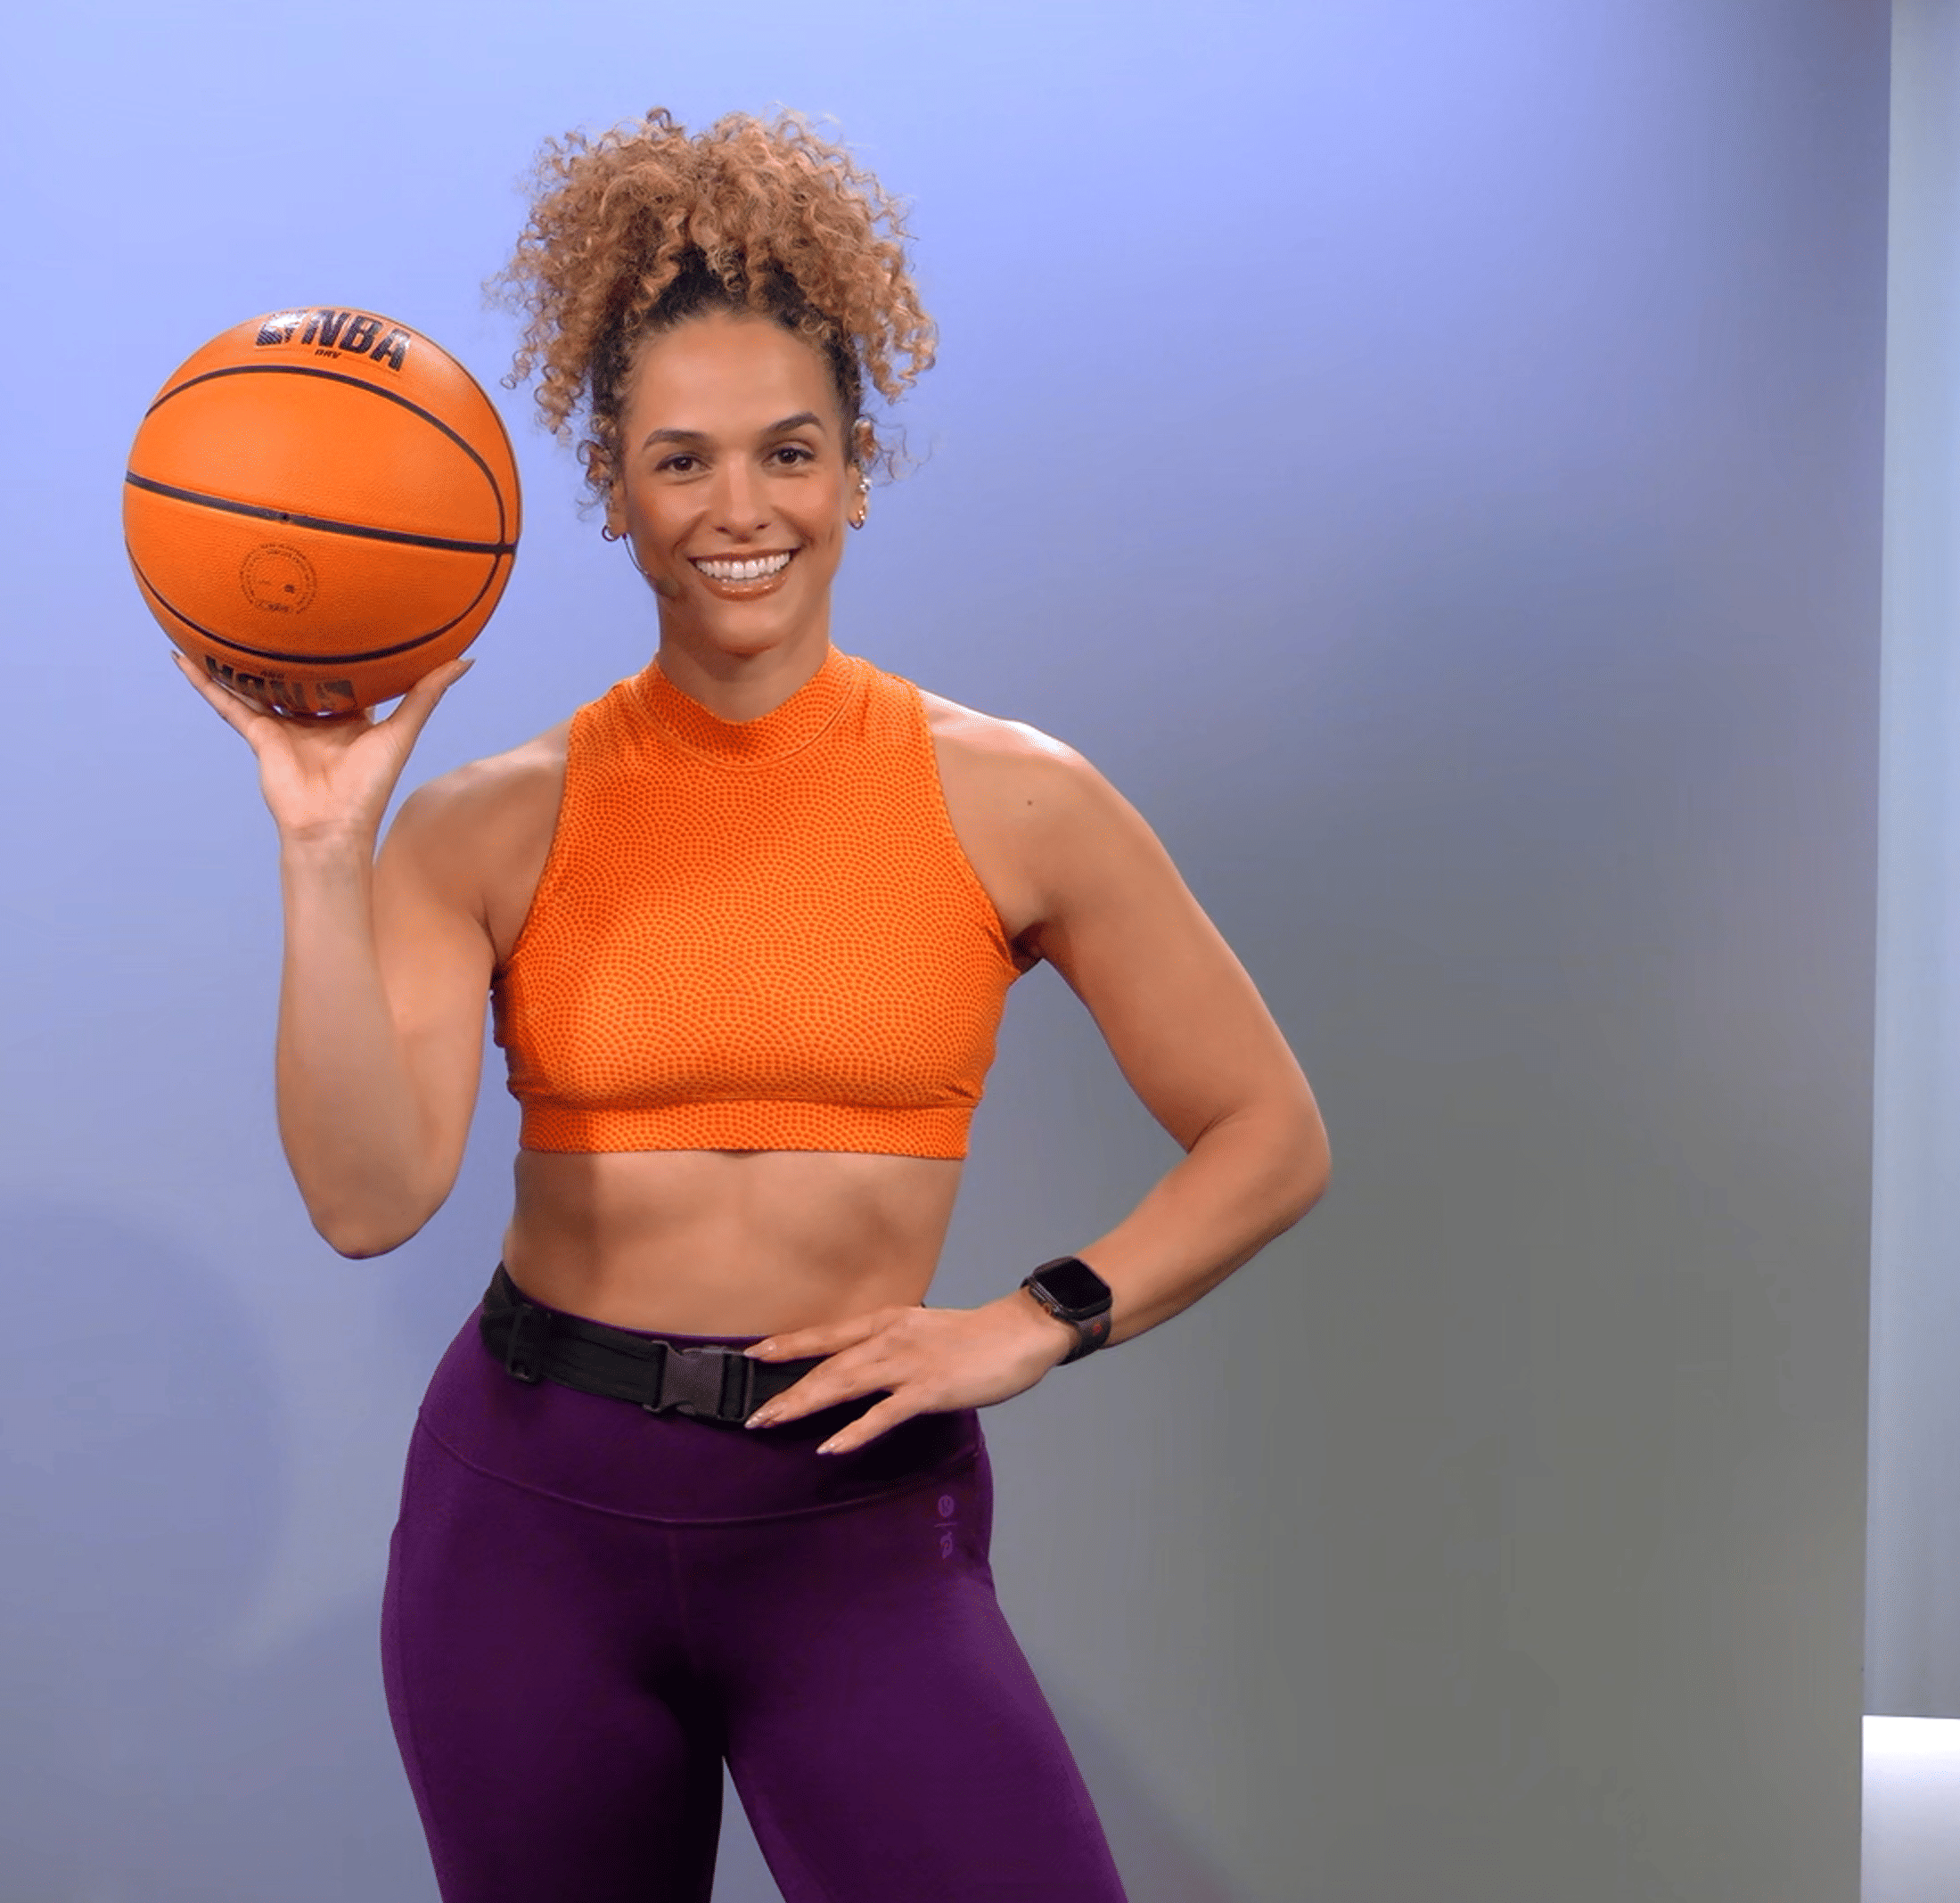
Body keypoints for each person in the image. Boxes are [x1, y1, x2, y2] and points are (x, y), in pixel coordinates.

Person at [182, 107, 1328, 1903]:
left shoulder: (1018, 797)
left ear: (858, 470)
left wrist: (1034, 1319)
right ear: (613, 487)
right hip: (527, 1518)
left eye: (788, 452)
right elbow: (363, 1197)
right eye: (681, 460)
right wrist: (327, 844)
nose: (740, 511)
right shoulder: (490, 819)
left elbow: (1269, 1132)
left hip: (855, 1520)